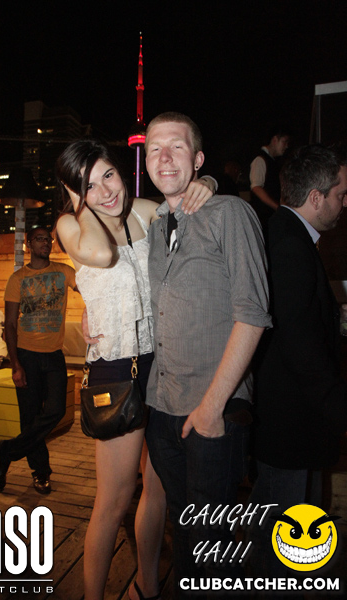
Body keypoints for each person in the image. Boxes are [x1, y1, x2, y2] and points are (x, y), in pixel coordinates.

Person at [55, 138, 216, 600]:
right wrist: (81, 201)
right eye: (89, 185)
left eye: (108, 175)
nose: (106, 191)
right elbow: (102, 256)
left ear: (122, 171)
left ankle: (146, 586)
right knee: (114, 498)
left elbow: (192, 201)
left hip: (161, 364)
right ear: (73, 193)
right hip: (114, 367)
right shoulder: (71, 224)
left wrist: (207, 181)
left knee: (158, 489)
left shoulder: (145, 213)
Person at [143, 112, 271, 597]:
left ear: (197, 159)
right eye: (154, 149)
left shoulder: (230, 214)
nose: (164, 157)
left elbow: (253, 315)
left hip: (212, 410)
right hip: (162, 408)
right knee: (184, 534)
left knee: (212, 545)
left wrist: (213, 408)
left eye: (176, 147)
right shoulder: (156, 223)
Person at [249, 144, 347, 577]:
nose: (345, 203)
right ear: (316, 198)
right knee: (280, 535)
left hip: (289, 417)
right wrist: (337, 407)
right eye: (341, 194)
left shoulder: (287, 233)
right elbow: (298, 342)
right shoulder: (289, 243)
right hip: (289, 419)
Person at [0, 226, 77, 495]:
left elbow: (91, 287)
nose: (46, 243)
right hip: (26, 355)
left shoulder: (64, 272)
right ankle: (41, 472)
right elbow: (10, 324)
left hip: (53, 355)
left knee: (56, 410)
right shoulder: (18, 278)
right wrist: (15, 365)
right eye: (39, 239)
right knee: (29, 417)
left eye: (48, 239)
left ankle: (6, 450)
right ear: (29, 245)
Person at [249, 126, 289, 229]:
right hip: (263, 220)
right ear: (275, 140)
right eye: (284, 142)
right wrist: (277, 207)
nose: (286, 146)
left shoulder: (273, 162)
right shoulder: (260, 160)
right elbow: (256, 188)